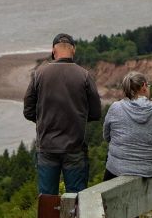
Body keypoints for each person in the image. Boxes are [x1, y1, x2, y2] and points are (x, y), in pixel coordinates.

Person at [23, 32, 102, 194]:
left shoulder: (39, 74)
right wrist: (77, 119)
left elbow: (28, 111)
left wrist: (44, 120)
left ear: (53, 50)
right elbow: (95, 113)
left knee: (47, 199)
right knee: (76, 198)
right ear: (73, 50)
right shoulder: (84, 76)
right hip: (75, 147)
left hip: (47, 146)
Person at [102, 71, 152, 181]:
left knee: (110, 158)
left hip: (116, 170)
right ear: (144, 86)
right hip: (148, 170)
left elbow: (107, 137)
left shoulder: (115, 107)